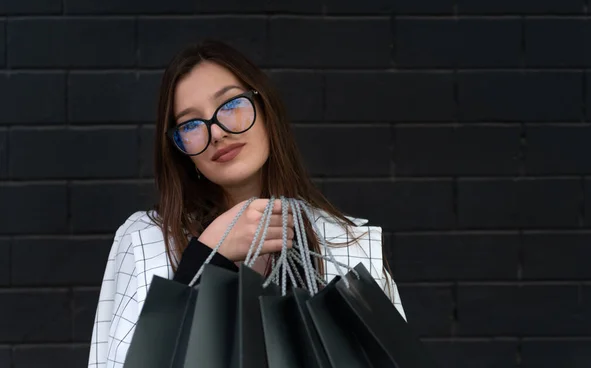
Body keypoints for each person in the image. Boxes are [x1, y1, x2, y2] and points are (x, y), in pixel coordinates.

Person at [87, 39, 406, 368]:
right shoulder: (146, 240)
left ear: (266, 109)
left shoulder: (346, 243)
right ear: (182, 150)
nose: (217, 133)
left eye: (230, 106)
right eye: (191, 124)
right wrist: (205, 258)